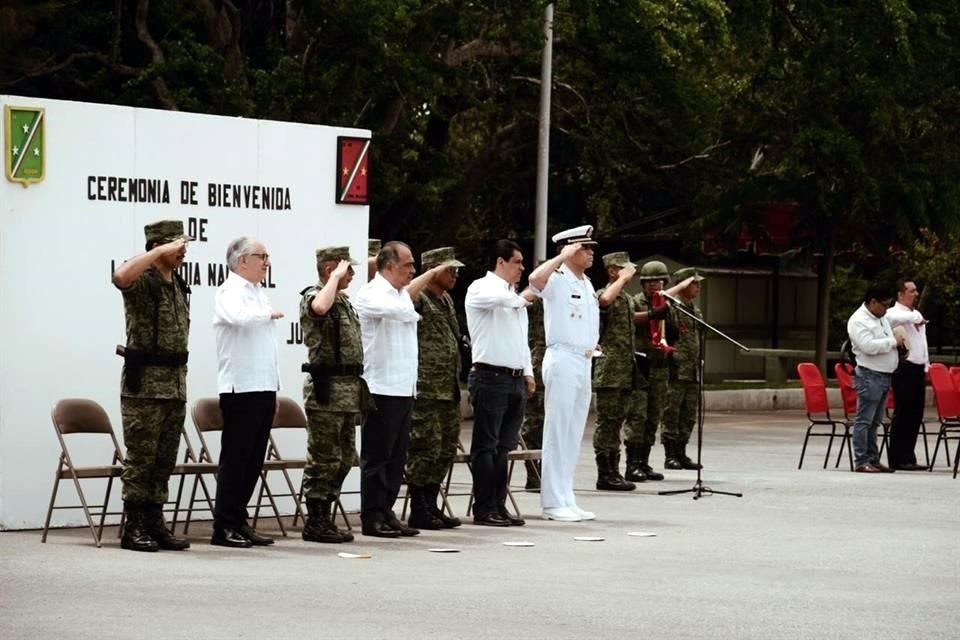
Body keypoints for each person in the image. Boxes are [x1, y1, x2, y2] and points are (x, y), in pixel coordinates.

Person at [354, 241, 444, 537]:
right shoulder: (370, 293)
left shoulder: (399, 294)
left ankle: (387, 509)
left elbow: (404, 302)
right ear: (389, 265)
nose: (412, 271)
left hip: (404, 387)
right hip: (381, 386)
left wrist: (414, 291)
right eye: (407, 265)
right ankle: (372, 515)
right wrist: (411, 307)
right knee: (377, 456)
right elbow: (397, 310)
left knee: (396, 456)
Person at [112, 220, 192, 552]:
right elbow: (120, 277)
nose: (183, 253)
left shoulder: (176, 283)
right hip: (144, 386)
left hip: (174, 385)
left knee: (164, 459)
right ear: (159, 246)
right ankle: (134, 527)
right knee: (142, 458)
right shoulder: (143, 281)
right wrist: (159, 250)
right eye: (177, 247)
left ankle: (155, 521)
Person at [211, 236, 284, 547]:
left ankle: (240, 521)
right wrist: (268, 315)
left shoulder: (258, 292)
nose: (266, 262)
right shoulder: (230, 290)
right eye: (261, 256)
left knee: (254, 459)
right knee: (236, 458)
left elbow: (266, 348)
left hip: (262, 386)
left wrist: (274, 389)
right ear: (241, 260)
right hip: (240, 388)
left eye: (267, 256)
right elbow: (236, 318)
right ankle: (224, 526)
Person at [527, 226, 600, 522]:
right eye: (585, 248)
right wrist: (561, 257)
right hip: (562, 358)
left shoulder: (586, 283)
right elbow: (533, 281)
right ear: (569, 250)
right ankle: (552, 502)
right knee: (557, 432)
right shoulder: (556, 279)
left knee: (573, 433)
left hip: (584, 361)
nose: (591, 252)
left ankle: (566, 496)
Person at [464, 239, 535, 527]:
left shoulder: (512, 295)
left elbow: (521, 339)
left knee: (504, 447)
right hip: (490, 376)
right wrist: (533, 289)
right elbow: (509, 300)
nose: (521, 268)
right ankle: (484, 507)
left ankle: (498, 504)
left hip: (514, 377)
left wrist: (528, 371)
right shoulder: (482, 288)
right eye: (517, 262)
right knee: (487, 446)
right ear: (500, 262)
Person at [299, 246, 364, 544]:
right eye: (348, 268)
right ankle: (315, 520)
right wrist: (335, 278)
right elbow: (319, 309)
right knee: (324, 457)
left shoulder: (344, 301)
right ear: (330, 269)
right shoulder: (315, 295)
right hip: (327, 390)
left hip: (349, 390)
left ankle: (326, 513)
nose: (352, 274)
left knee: (345, 457)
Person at [405, 247, 466, 530]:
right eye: (449, 269)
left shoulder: (447, 300)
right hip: (427, 388)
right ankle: (419, 507)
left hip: (448, 388)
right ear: (431, 270)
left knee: (444, 449)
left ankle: (431, 503)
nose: (455, 274)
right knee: (424, 449)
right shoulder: (420, 299)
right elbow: (403, 297)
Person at [592, 251, 639, 492]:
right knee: (607, 422)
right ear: (612, 270)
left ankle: (615, 470)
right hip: (609, 370)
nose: (630, 272)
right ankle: (605, 473)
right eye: (624, 268)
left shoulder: (628, 299)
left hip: (625, 369)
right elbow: (604, 301)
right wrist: (621, 280)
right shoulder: (604, 292)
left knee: (618, 421)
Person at [847, 284, 904, 473]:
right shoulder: (859, 320)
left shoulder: (880, 318)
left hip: (884, 374)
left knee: (875, 421)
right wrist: (892, 342)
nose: (886, 310)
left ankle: (873, 458)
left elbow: (884, 340)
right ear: (872, 302)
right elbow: (868, 346)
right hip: (870, 374)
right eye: (884, 305)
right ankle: (862, 460)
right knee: (864, 420)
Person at [626, 260, 673, 482]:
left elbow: (675, 332)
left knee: (653, 416)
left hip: (660, 368)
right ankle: (632, 463)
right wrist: (654, 313)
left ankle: (644, 462)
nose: (654, 285)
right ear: (643, 284)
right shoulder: (635, 302)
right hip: (641, 366)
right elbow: (633, 321)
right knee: (638, 417)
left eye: (659, 281)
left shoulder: (669, 303)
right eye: (650, 281)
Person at [661, 267, 706, 471]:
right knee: (672, 412)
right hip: (676, 369)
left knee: (688, 414)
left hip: (692, 370)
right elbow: (661, 300)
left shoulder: (695, 310)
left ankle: (682, 452)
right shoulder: (673, 307)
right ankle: (670, 455)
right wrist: (678, 287)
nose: (698, 287)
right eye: (694, 283)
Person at [885, 279, 929, 471]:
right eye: (911, 291)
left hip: (918, 367)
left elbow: (922, 341)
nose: (915, 294)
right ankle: (896, 457)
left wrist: (926, 364)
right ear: (900, 294)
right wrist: (915, 319)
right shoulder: (893, 313)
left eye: (916, 291)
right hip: (904, 367)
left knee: (915, 413)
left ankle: (908, 456)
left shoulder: (915, 313)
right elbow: (893, 319)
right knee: (903, 412)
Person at [520, 292, 545, 491]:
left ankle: (547, 472)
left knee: (553, 424)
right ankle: (532, 473)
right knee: (534, 422)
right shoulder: (536, 298)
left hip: (557, 364)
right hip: (537, 363)